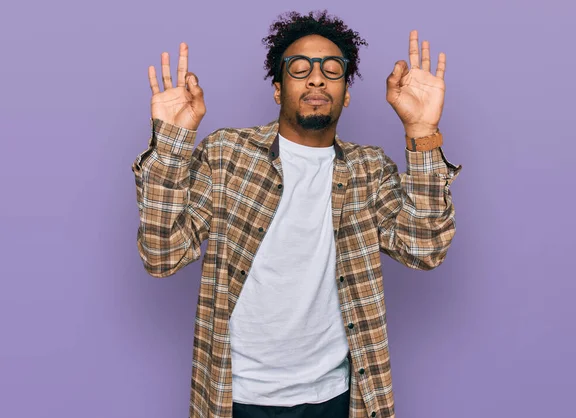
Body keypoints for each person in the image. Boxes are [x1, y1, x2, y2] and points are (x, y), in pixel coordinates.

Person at [131, 9, 462, 418]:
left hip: (337, 398)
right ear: (278, 88)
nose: (317, 78)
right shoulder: (226, 154)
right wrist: (171, 145)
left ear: (347, 92)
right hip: (236, 398)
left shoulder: (369, 169)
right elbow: (162, 256)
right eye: (300, 68)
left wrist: (421, 132)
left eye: (332, 70)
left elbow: (424, 248)